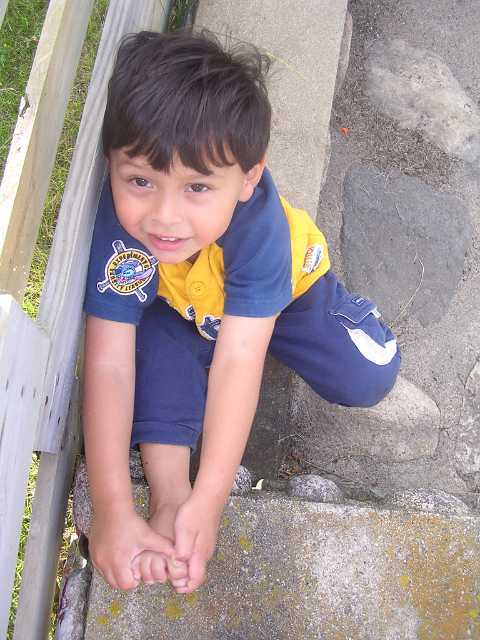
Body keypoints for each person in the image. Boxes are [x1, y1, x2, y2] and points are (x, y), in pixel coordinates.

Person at [82, 28, 401, 595]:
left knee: (368, 377)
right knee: (154, 353)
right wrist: (110, 507)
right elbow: (108, 361)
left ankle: (337, 314)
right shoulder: (122, 219)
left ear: (249, 178)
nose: (164, 217)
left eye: (197, 188)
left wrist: (214, 498)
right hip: (182, 305)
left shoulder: (260, 228)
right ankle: (169, 500)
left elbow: (238, 363)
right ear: (112, 163)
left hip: (287, 295)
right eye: (140, 181)